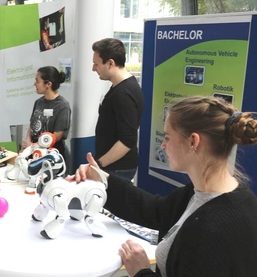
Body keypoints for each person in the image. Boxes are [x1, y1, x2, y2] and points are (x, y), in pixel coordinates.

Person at [68, 96, 257, 276]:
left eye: (167, 137)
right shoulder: (204, 193)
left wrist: (141, 272)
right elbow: (155, 210)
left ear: (193, 141)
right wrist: (103, 179)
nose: (163, 145)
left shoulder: (210, 232)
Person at [91, 38, 144, 181]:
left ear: (110, 63)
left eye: (96, 64)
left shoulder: (124, 94)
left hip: (117, 168)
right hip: (113, 166)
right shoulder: (120, 87)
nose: (93, 68)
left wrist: (99, 164)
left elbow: (128, 140)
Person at [22, 66, 71, 165]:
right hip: (33, 152)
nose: (34, 84)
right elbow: (32, 125)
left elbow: (56, 136)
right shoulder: (38, 102)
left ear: (48, 84)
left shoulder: (62, 106)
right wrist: (26, 145)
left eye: (37, 81)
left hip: (52, 155)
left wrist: (32, 146)